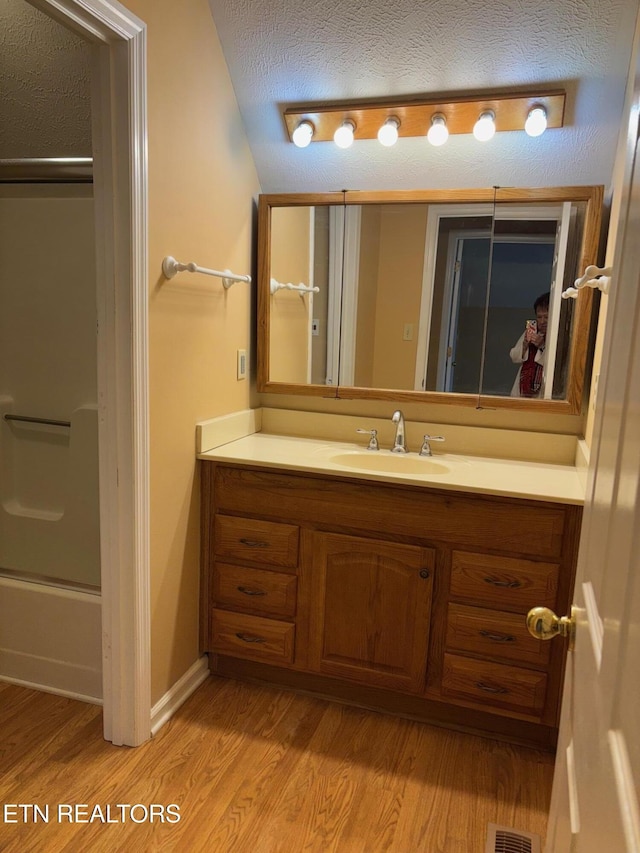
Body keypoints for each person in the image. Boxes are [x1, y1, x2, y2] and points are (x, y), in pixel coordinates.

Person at [510, 292, 549, 397]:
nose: (542, 321)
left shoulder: (556, 336)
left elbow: (555, 365)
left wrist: (542, 346)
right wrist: (524, 346)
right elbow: (513, 356)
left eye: (546, 317)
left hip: (542, 391)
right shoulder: (532, 330)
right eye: (539, 317)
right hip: (522, 388)